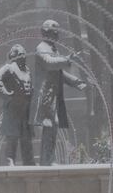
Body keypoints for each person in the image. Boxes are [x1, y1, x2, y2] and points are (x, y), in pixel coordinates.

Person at [29, 19, 86, 165]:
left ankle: (47, 159)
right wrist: (67, 59)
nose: (57, 36)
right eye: (55, 33)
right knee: (50, 124)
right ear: (47, 33)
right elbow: (49, 63)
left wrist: (79, 82)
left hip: (52, 94)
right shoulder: (41, 48)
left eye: (57, 33)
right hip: (44, 94)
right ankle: (47, 161)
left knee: (53, 125)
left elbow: (60, 73)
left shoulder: (54, 50)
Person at [0, 44, 34, 166]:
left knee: (26, 140)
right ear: (14, 57)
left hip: (25, 111)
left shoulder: (27, 70)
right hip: (13, 110)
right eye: (20, 54)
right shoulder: (8, 68)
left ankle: (29, 163)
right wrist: (6, 94)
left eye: (24, 54)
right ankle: (10, 162)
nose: (23, 57)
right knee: (12, 139)